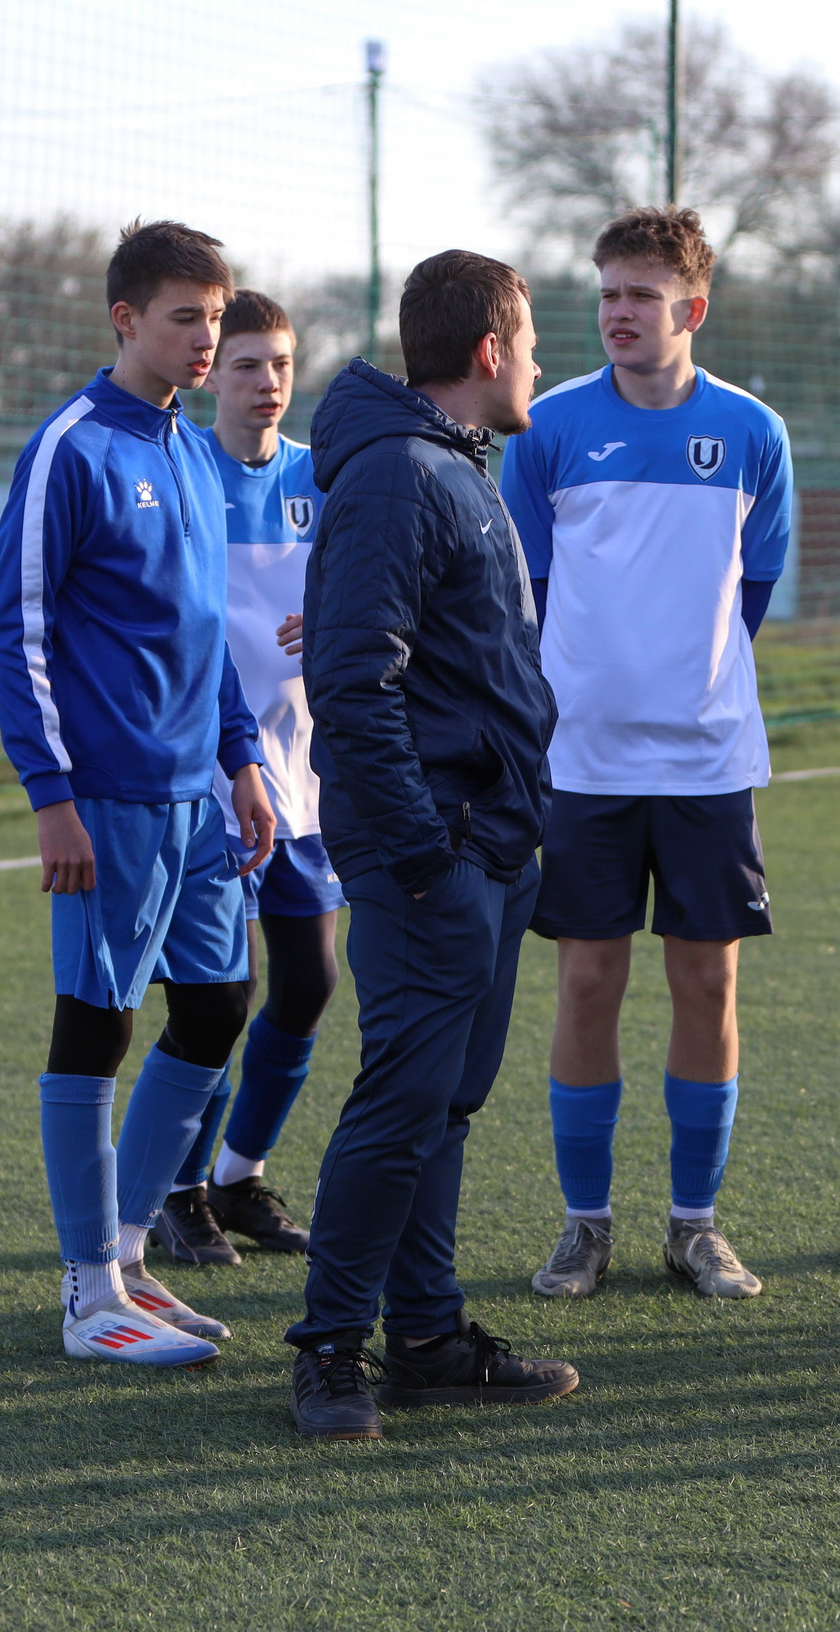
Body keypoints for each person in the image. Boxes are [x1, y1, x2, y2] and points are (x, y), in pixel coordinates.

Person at [285, 249, 578, 1441]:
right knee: (401, 1103)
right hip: (436, 852)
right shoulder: (405, 474)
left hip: (491, 844)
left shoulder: (456, 464)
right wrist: (418, 851)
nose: (543, 361)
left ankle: (427, 1338)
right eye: (534, 340)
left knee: (443, 1107)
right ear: (491, 353)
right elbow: (352, 682)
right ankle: (326, 1349)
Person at [0, 219, 275, 1369]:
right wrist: (50, 793)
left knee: (214, 1007)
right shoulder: (70, 447)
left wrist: (243, 760)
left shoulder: (196, 452)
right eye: (185, 317)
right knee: (95, 1023)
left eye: (217, 314)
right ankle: (85, 1292)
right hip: (101, 794)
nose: (207, 338)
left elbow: (213, 637)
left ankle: (130, 1252)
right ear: (125, 321)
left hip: (199, 796)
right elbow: (17, 631)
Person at [498, 207, 793, 1303]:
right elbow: (523, 593)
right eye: (607, 293)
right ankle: (583, 1225)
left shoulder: (754, 432)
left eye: (641, 296)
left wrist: (688, 682)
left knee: (707, 981)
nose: (618, 313)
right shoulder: (549, 425)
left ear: (692, 310)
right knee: (585, 981)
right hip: (581, 765)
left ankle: (694, 1224)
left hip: (710, 763)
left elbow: (751, 589)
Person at [144, 288, 330, 1268]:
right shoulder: (178, 471)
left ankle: (239, 1174)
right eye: (248, 363)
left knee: (309, 983)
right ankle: (178, 1193)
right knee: (219, 998)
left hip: (303, 775)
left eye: (281, 366)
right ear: (213, 371)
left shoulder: (322, 479)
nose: (266, 382)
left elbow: (375, 585)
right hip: (209, 778)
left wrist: (335, 621)